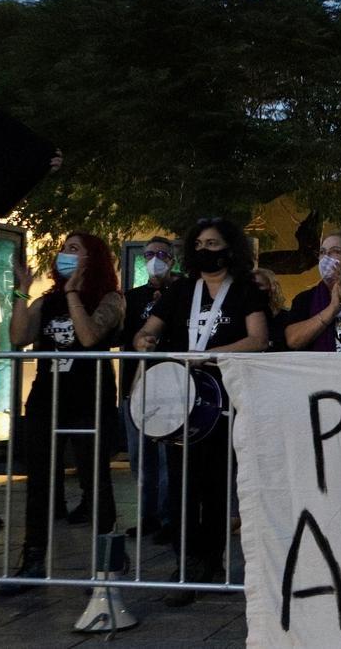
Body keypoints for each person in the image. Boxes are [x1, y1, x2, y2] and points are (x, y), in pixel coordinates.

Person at [133, 218, 268, 606]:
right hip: (181, 400)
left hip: (223, 398)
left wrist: (212, 355)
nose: (206, 249)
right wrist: (145, 338)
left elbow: (258, 339)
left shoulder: (245, 290)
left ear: (230, 247)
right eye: (200, 243)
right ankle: (186, 562)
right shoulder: (180, 290)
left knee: (215, 484)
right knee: (181, 485)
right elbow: (150, 329)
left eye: (214, 243)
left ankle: (210, 557)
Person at [1, 232, 124, 596]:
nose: (64, 254)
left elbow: (88, 337)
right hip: (45, 399)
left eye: (74, 249)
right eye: (64, 249)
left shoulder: (111, 299)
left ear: (93, 258)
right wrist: (23, 291)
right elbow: (19, 336)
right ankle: (33, 559)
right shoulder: (48, 300)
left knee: (95, 480)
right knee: (39, 480)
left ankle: (108, 563)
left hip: (89, 399)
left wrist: (73, 293)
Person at [119, 236, 178, 543]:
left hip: (171, 385)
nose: (155, 259)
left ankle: (169, 517)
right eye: (149, 254)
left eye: (161, 254)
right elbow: (127, 338)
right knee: (141, 457)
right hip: (137, 385)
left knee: (168, 457)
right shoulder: (133, 297)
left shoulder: (181, 292)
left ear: (172, 258)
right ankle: (147, 516)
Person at [253, 267, 290, 351]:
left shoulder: (288, 318)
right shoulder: (241, 321)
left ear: (272, 288)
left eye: (258, 285)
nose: (252, 290)